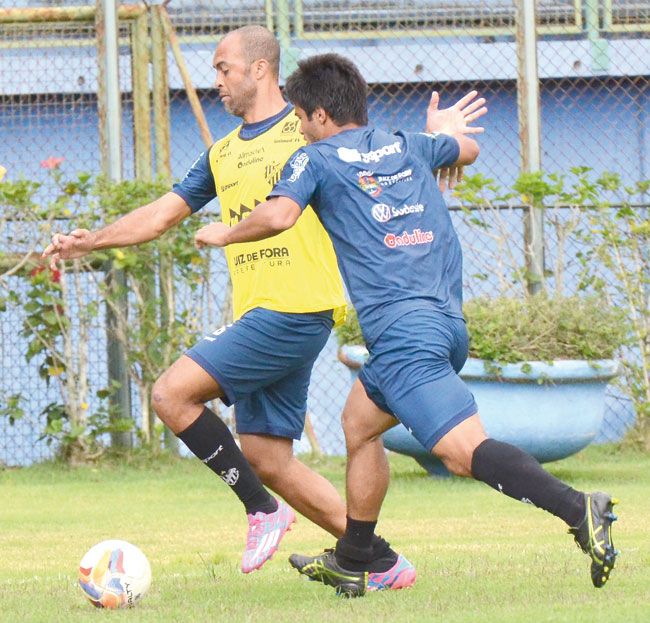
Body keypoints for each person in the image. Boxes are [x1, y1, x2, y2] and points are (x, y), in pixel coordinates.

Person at [193, 53, 620, 596]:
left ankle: (580, 510)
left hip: (404, 336)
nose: (297, 127)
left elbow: (278, 215)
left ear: (320, 115)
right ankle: (355, 558)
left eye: (299, 118)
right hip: (444, 323)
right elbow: (466, 149)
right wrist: (444, 133)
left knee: (462, 452)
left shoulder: (315, 159)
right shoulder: (406, 143)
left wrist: (223, 234)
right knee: (360, 424)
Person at [42, 25, 350, 576]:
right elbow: (161, 215)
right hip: (265, 313)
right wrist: (89, 240)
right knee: (267, 457)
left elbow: (370, 164)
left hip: (297, 306)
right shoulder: (223, 153)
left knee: (170, 394)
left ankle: (261, 511)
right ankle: (378, 556)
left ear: (260, 69)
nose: (217, 82)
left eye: (223, 69)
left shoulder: (309, 130)